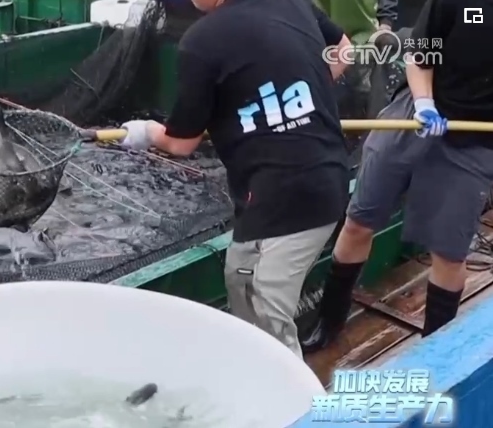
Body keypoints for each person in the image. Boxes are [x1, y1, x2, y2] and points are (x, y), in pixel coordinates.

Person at [119, 0, 351, 357]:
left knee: (267, 303)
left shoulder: (201, 42)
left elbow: (181, 142)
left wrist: (146, 132)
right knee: (239, 276)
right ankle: (251, 369)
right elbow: (345, 49)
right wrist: (303, 95)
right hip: (309, 181)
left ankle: (290, 388)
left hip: (300, 192)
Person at [302, 0, 493, 352]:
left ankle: (436, 349)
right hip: (415, 114)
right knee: (358, 221)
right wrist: (424, 104)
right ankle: (330, 319)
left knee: (449, 252)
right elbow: (420, 55)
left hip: (475, 139)